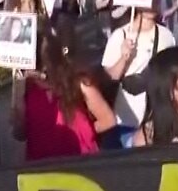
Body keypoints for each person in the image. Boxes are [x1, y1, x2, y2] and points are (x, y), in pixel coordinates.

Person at [12, 29, 116, 159]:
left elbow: (108, 120)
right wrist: (17, 95)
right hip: (40, 169)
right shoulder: (28, 88)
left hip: (80, 165)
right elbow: (19, 134)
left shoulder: (80, 83)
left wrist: (85, 132)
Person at [101, 5, 175, 134]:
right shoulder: (120, 35)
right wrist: (124, 58)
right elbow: (110, 77)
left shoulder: (166, 35)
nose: (151, 5)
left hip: (155, 120)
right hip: (125, 118)